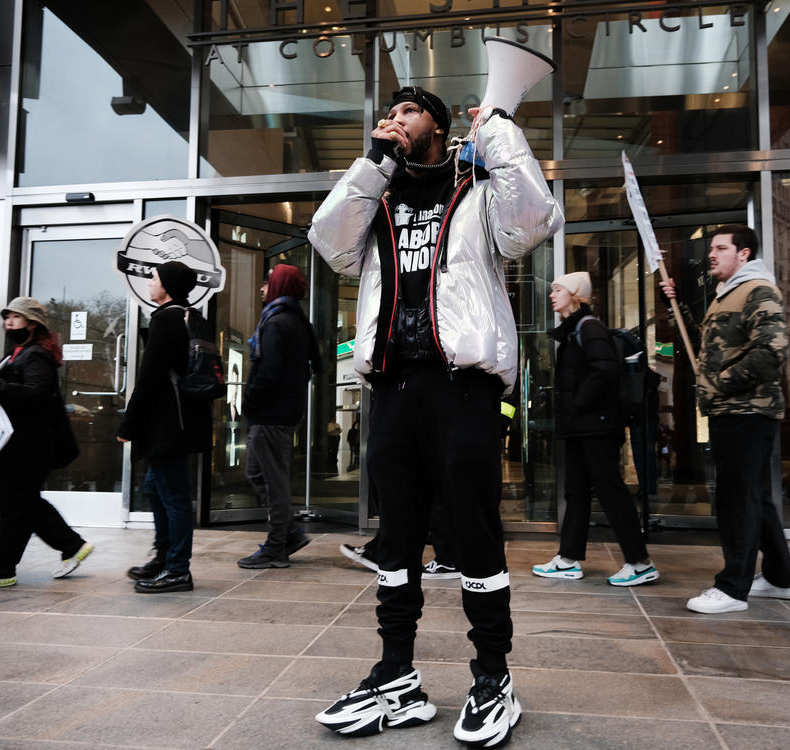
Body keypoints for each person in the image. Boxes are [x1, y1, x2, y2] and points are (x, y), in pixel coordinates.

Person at [308, 86, 563, 745]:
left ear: (440, 127)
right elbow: (328, 240)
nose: (393, 121)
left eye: (407, 113)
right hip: (392, 387)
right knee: (396, 539)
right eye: (387, 114)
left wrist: (499, 131)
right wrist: (372, 164)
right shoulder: (377, 200)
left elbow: (534, 221)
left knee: (474, 533)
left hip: (464, 388)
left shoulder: (477, 191)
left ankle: (493, 678)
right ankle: (396, 675)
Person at [662, 224, 790, 614]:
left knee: (736, 500)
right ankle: (781, 578)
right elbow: (711, 346)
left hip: (746, 412)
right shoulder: (727, 296)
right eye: (712, 248)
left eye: (721, 248)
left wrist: (720, 384)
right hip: (731, 412)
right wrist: (680, 306)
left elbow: (772, 351)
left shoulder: (758, 290)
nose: (712, 254)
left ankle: (732, 588)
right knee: (755, 497)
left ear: (744, 253)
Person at [0, 297, 93, 590]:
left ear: (32, 323)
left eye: (15, 317)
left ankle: (0, 570)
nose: (9, 323)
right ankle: (71, 545)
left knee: (16, 506)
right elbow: (8, 396)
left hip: (29, 445)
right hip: (21, 443)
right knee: (24, 503)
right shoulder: (19, 353)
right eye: (7, 317)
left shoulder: (36, 355)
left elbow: (36, 395)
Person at [532, 272, 659, 586]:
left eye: (558, 289)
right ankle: (568, 559)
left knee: (610, 492)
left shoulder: (590, 327)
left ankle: (640, 562)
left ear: (575, 293)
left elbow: (604, 370)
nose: (552, 295)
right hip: (581, 428)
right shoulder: (575, 329)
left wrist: (577, 405)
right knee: (576, 494)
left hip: (596, 427)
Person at [118, 261, 211, 593]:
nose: (149, 283)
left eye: (154, 278)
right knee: (156, 488)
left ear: (168, 284)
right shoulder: (190, 316)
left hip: (169, 423)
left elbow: (150, 377)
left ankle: (177, 569)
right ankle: (163, 558)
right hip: (183, 419)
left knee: (172, 495)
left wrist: (129, 423)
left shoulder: (166, 319)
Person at [236, 264, 321, 569]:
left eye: (267, 282)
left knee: (273, 482)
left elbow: (268, 372)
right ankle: (289, 534)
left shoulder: (277, 323)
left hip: (270, 414)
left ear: (278, 286)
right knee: (258, 473)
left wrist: (249, 401)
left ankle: (276, 547)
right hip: (279, 412)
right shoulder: (293, 319)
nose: (261, 288)